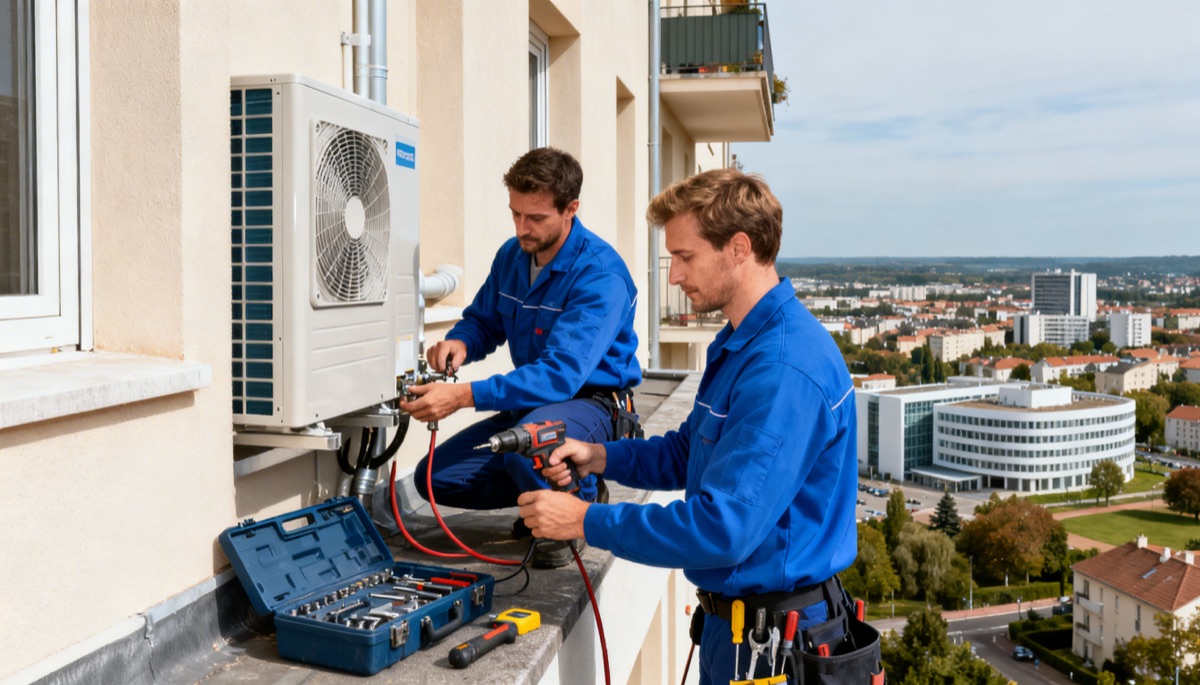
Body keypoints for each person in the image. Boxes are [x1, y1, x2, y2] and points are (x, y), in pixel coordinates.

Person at [517, 169, 861, 683]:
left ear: (739, 247)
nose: (673, 275)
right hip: (746, 630)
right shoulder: (743, 342)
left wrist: (584, 520)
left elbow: (722, 529)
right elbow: (688, 452)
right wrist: (601, 455)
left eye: (685, 256)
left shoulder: (783, 369)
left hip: (776, 643)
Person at [398, 147, 641, 568]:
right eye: (515, 214)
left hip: (592, 406)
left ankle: (577, 508)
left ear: (571, 209)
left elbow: (560, 376)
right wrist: (462, 343)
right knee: (432, 481)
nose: (522, 229)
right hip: (533, 405)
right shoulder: (512, 256)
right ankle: (541, 501)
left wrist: (461, 396)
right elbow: (484, 320)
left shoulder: (601, 276)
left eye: (536, 218)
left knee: (525, 443)